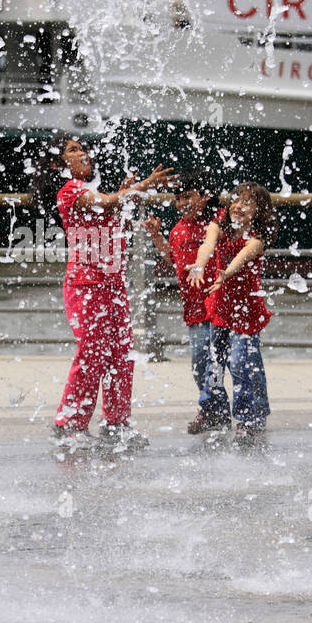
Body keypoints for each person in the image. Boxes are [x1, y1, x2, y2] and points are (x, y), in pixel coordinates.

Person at [32, 136, 173, 451]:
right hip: (86, 286)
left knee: (121, 356)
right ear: (58, 164)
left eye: (83, 148)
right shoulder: (70, 191)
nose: (82, 153)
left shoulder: (92, 192)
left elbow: (112, 211)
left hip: (113, 285)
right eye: (73, 150)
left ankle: (116, 423)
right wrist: (141, 186)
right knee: (92, 354)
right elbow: (108, 203)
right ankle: (69, 424)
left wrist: (127, 193)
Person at [141, 168, 229, 434]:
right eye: (178, 198)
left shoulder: (220, 222)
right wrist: (157, 236)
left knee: (222, 363)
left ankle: (215, 411)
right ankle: (218, 411)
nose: (182, 203)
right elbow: (172, 259)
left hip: (221, 307)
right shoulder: (178, 230)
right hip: (194, 309)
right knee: (199, 364)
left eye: (188, 196)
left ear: (205, 196)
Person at [188, 181, 276, 446]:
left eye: (247, 202)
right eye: (236, 200)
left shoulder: (257, 237)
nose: (238, 206)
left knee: (242, 363)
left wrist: (226, 272)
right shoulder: (219, 224)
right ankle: (213, 410)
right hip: (221, 307)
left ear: (259, 211)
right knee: (214, 363)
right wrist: (200, 265)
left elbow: (244, 256)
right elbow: (207, 245)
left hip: (246, 310)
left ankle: (251, 417)